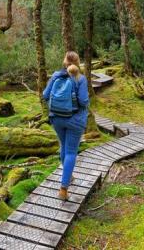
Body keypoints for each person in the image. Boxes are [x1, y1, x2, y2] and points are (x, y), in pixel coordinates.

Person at [42, 51, 89, 200]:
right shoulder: (80, 78)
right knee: (70, 152)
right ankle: (63, 189)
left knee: (64, 147)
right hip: (75, 120)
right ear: (77, 62)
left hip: (57, 118)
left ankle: (67, 176)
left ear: (65, 61)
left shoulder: (56, 75)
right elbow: (83, 101)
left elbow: (45, 95)